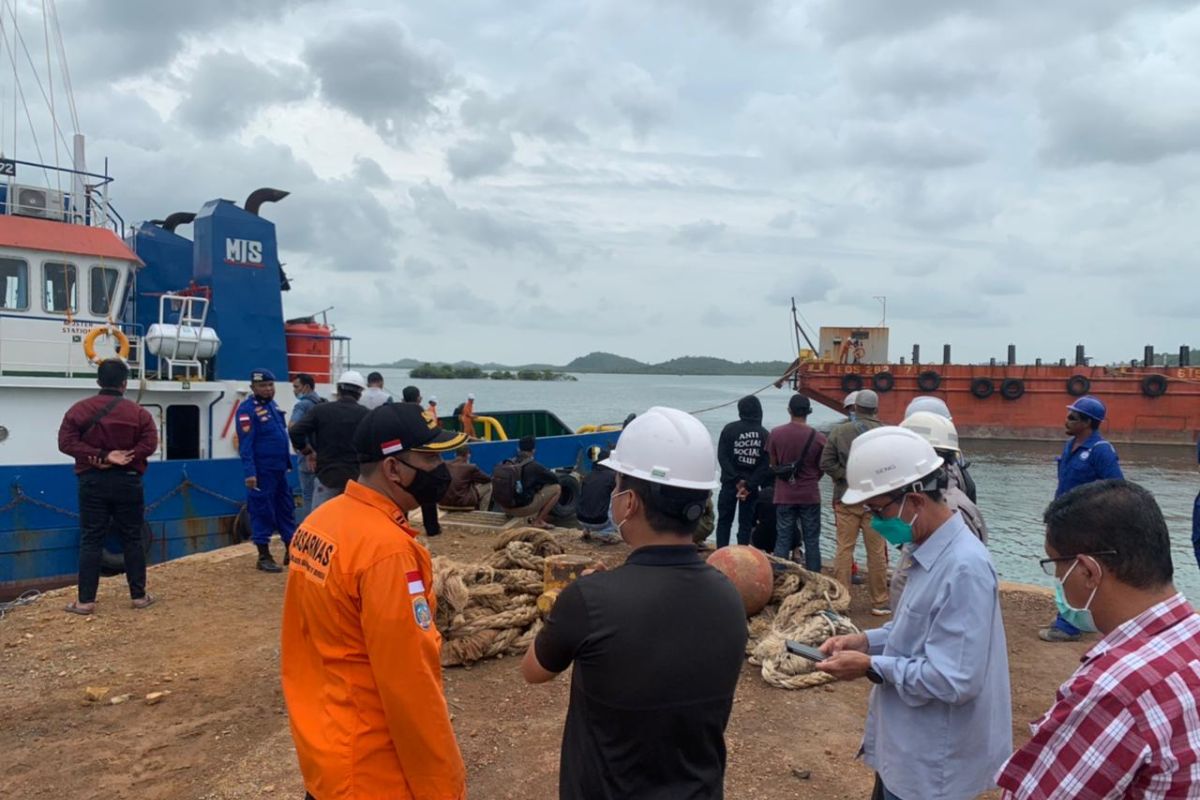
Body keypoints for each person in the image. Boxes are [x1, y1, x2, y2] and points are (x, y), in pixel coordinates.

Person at [521, 406, 748, 798]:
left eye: (617, 483)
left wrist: (569, 605)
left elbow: (533, 671)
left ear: (630, 503)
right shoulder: (729, 596)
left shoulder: (592, 599)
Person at [281, 402, 468, 800]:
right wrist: (442, 789)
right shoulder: (387, 553)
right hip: (373, 770)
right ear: (394, 468)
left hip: (326, 750)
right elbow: (409, 683)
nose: (441, 469)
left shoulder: (319, 523)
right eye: (430, 458)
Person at [817, 426, 1012, 800]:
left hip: (932, 764)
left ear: (915, 500)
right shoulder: (924, 550)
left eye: (878, 510)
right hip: (905, 751)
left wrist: (870, 666)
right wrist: (864, 641)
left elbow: (955, 679)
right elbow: (915, 630)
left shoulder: (963, 568)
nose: (874, 522)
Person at [996, 480, 1200, 798]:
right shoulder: (1191, 636)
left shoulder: (1117, 688)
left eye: (1055, 565)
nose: (1056, 581)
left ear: (1088, 572)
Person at [57, 358, 159, 613]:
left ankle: (85, 602)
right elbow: (149, 444)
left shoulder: (79, 410)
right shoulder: (139, 414)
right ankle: (138, 597)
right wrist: (126, 457)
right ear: (125, 384)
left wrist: (101, 456)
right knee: (132, 538)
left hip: (92, 481)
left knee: (91, 539)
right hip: (128, 481)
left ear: (99, 381)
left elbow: (66, 443)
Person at [1041, 394, 1125, 642]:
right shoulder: (1071, 447)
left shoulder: (1101, 451)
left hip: (1086, 525)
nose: (1066, 420)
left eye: (1072, 417)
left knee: (1076, 572)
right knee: (1066, 570)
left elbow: (1117, 488)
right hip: (1064, 520)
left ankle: (1068, 625)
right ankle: (1073, 618)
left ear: (1087, 422)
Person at [820, 388, 890, 614]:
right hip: (876, 502)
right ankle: (880, 602)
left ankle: (842, 601)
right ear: (876, 409)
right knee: (877, 552)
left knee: (844, 549)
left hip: (846, 499)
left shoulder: (840, 432)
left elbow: (826, 463)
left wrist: (846, 476)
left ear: (856, 407)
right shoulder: (886, 433)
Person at [237, 368, 296, 573]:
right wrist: (250, 473)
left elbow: (280, 436)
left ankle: (291, 549)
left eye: (270, 385)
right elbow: (246, 445)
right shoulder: (247, 410)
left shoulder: (273, 406)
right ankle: (263, 555)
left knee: (286, 509)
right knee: (262, 511)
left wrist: (287, 463)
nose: (268, 389)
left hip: (279, 469)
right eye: (263, 385)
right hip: (262, 471)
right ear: (253, 387)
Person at [288, 370, 369, 515]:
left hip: (326, 477)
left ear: (338, 390)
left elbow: (295, 431)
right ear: (360, 393)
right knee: (350, 520)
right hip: (355, 479)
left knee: (319, 520)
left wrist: (307, 450)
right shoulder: (366, 414)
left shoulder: (321, 410)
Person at [767, 394, 826, 570]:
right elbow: (822, 466)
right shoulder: (819, 437)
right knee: (812, 540)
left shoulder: (776, 433)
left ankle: (780, 577)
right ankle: (815, 580)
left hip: (784, 494)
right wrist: (812, 478)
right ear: (809, 412)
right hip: (809, 494)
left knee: (783, 538)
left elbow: (773, 464)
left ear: (789, 410)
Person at [715, 395, 769, 548]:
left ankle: (721, 552)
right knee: (746, 524)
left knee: (724, 521)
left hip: (730, 483)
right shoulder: (764, 434)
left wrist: (736, 479)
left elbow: (722, 457)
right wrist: (749, 484)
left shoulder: (729, 429)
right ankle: (743, 553)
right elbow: (765, 463)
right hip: (751, 486)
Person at [400, 385, 442, 536]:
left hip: (403, 460)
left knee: (401, 492)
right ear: (419, 399)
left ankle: (403, 526)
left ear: (403, 399)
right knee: (427, 494)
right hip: (423, 458)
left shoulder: (398, 416)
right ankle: (432, 528)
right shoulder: (426, 415)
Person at [497, 435, 562, 529]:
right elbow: (556, 480)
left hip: (504, 508)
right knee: (557, 489)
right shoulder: (534, 466)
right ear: (533, 450)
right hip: (521, 509)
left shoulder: (509, 463)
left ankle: (515, 513)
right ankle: (538, 521)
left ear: (518, 449)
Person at [289, 373, 322, 521]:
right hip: (322, 456)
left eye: (296, 387)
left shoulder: (302, 405)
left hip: (307, 457)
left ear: (306, 387)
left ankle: (308, 529)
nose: (294, 390)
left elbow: (292, 427)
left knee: (308, 496)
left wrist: (305, 449)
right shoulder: (321, 403)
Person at [576, 448, 618, 542]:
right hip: (600, 522)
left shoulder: (588, 476)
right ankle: (605, 533)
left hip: (581, 519)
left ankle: (586, 530)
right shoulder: (613, 477)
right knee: (619, 497)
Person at [439, 445, 492, 511]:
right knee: (489, 485)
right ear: (468, 455)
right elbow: (487, 479)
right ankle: (483, 511)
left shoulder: (445, 464)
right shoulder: (471, 467)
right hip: (463, 504)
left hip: (443, 503)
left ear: (455, 454)